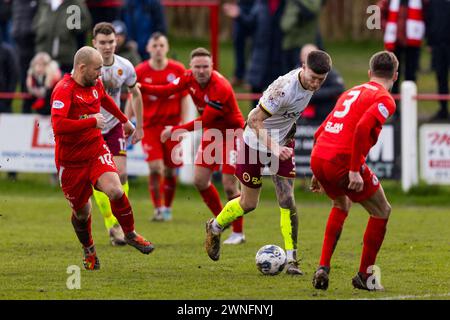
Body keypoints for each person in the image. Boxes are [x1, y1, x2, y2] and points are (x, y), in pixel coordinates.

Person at [204, 50, 332, 275]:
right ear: (303, 67)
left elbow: (290, 117)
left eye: (321, 80)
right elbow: (253, 119)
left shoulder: (311, 85)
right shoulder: (283, 88)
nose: (315, 84)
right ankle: (214, 227)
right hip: (254, 143)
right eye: (313, 78)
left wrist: (285, 140)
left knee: (287, 199)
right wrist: (274, 147)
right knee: (248, 203)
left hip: (282, 145)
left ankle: (292, 261)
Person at [51, 46, 154, 270]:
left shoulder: (95, 83)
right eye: (97, 69)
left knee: (116, 190)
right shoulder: (63, 90)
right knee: (82, 212)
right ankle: (89, 249)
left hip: (96, 150)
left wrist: (125, 120)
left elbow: (105, 99)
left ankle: (129, 233)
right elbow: (58, 126)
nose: (100, 73)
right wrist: (91, 121)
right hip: (70, 162)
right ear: (82, 68)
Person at [310, 51, 398, 291]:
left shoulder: (351, 91)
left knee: (341, 204)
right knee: (382, 210)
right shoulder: (385, 99)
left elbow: (321, 130)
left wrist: (317, 171)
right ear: (395, 76)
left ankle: (323, 267)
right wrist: (354, 170)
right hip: (341, 160)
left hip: (319, 154)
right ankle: (365, 277)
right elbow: (361, 129)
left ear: (369, 73)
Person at [140, 48, 247, 245]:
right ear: (191, 67)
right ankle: (222, 221)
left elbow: (203, 121)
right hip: (212, 133)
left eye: (205, 66)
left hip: (232, 134)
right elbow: (165, 90)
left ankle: (238, 233)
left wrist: (175, 130)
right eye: (197, 66)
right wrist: (140, 87)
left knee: (230, 185)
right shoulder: (187, 77)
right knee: (199, 180)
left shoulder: (220, 87)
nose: (201, 71)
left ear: (212, 67)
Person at [91, 22, 144, 246]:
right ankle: (111, 225)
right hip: (91, 130)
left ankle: (121, 224)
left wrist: (137, 124)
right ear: (94, 43)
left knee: (121, 175)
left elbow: (136, 94)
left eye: (111, 42)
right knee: (101, 181)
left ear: (116, 42)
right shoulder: (85, 66)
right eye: (102, 43)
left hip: (113, 127)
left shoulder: (125, 66)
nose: (107, 46)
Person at [135, 32, 190, 221]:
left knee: (169, 170)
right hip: (150, 127)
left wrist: (182, 126)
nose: (158, 49)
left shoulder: (177, 69)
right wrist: (129, 120)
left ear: (166, 48)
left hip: (172, 127)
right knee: (155, 168)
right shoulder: (140, 71)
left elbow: (184, 98)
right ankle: (157, 208)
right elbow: (135, 98)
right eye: (155, 45)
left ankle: (167, 208)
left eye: (161, 45)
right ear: (148, 48)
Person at [378, 0, 425, 118]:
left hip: (413, 41)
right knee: (393, 77)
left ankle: (409, 108)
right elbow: (379, 11)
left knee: (411, 75)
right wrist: (387, 27)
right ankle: (394, 108)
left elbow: (428, 14)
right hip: (395, 41)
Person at [33, 0, 92, 74]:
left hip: (64, 57)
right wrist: (39, 29)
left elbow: (86, 22)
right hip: (43, 55)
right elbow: (36, 21)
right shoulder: (45, 3)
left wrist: (71, 27)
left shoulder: (74, 3)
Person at [299, 44, 344, 123]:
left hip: (324, 112)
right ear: (301, 57)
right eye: (306, 55)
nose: (309, 59)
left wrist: (315, 94)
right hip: (302, 115)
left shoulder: (327, 70)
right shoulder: (296, 72)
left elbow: (339, 88)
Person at [425, 0, 450, 120]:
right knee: (441, 78)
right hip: (438, 46)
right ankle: (443, 110)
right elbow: (429, 20)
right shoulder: (433, 2)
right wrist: (430, 42)